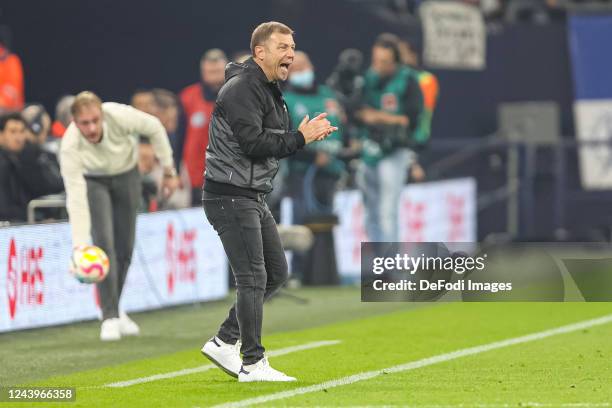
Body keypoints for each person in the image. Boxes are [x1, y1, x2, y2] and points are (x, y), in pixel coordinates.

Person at [200, 21, 337, 382]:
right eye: (283, 47)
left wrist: (303, 135)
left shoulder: (268, 87)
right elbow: (254, 144)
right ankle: (252, 362)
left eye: (292, 47)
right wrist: (300, 138)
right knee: (253, 277)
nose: (290, 53)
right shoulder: (243, 88)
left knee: (276, 273)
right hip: (229, 196)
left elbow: (271, 142)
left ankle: (223, 341)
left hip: (250, 194)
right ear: (260, 51)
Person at [59, 91, 179, 341]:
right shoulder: (69, 145)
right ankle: (109, 316)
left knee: (125, 247)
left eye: (95, 120)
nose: (91, 128)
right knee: (104, 244)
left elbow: (155, 127)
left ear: (101, 115)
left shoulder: (118, 115)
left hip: (126, 175)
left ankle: (116, 307)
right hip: (94, 181)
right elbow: (76, 197)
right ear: (74, 122)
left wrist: (168, 170)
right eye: (84, 123)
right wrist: (79, 245)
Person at [355, 33, 424, 242]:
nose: (378, 65)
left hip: (395, 150)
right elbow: (356, 112)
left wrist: (375, 116)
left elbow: (408, 120)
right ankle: (377, 265)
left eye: (384, 62)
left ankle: (394, 271)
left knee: (387, 212)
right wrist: (388, 119)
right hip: (369, 149)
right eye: (375, 60)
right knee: (370, 213)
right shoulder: (367, 79)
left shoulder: (408, 80)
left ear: (395, 62)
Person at [284, 50, 346, 282]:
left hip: (331, 169)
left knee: (326, 219)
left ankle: (325, 272)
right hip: (303, 172)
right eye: (296, 69)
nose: (302, 72)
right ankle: (299, 271)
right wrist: (311, 158)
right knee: (303, 220)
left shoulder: (328, 95)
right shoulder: (286, 100)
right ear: (288, 73)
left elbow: (342, 127)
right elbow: (286, 140)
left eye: (304, 66)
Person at [180, 49, 228, 205]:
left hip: (228, 175)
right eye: (210, 71)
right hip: (194, 176)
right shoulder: (187, 97)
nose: (213, 74)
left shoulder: (237, 95)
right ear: (203, 72)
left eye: (217, 70)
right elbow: (179, 136)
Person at [0, 112, 63, 223]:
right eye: (13, 132)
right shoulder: (3, 164)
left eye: (22, 131)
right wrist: (38, 219)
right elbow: (4, 207)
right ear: (1, 136)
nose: (18, 137)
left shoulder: (27, 159)